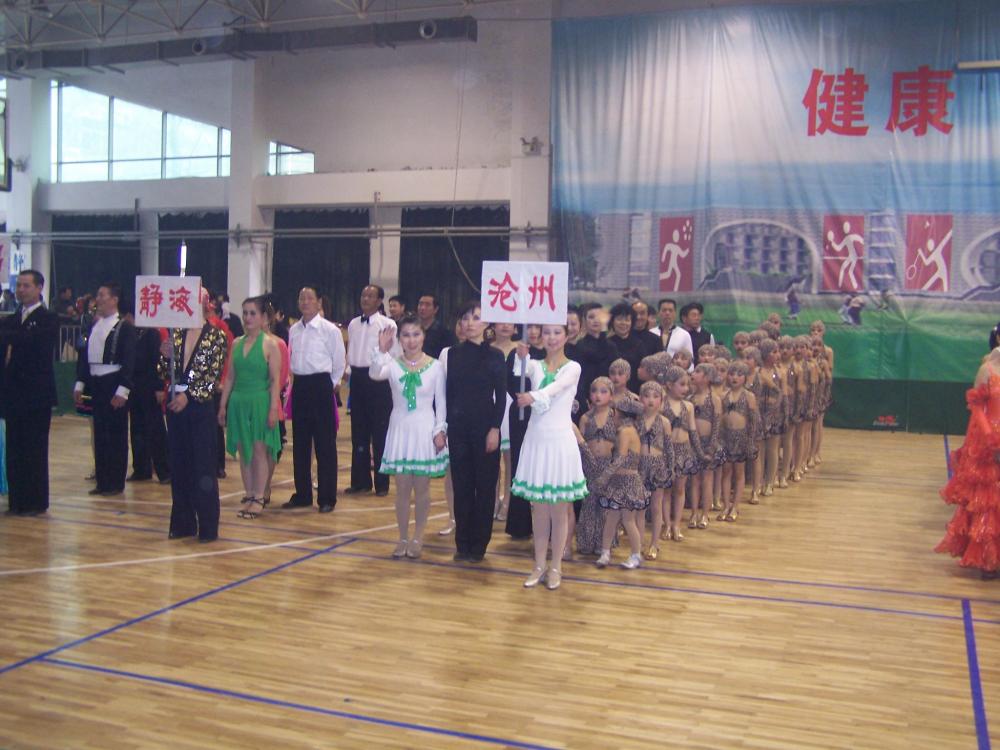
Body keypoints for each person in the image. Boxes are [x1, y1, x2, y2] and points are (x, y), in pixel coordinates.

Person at [513, 323, 587, 590]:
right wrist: (520, 357)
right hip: (536, 441)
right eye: (547, 333)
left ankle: (556, 566)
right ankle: (538, 564)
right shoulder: (534, 366)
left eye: (557, 333)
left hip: (559, 442)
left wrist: (533, 396)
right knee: (539, 510)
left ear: (567, 336)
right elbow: (519, 371)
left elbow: (557, 387)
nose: (552, 338)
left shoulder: (573, 367)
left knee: (559, 509)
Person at [371, 316, 448, 559]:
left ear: (423, 336)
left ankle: (418, 537)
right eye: (406, 335)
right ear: (399, 339)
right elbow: (375, 373)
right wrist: (381, 350)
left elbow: (441, 403)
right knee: (402, 489)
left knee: (422, 488)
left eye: (416, 334)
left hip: (425, 429)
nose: (411, 340)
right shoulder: (392, 364)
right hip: (400, 430)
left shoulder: (436, 366)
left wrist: (440, 430)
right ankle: (402, 537)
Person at [444, 302, 506, 562]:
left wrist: (494, 429)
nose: (470, 323)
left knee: (485, 487)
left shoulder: (495, 356)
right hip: (458, 429)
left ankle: (480, 544)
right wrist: (446, 426)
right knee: (462, 486)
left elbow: (500, 398)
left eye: (476, 317)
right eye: (466, 317)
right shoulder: (452, 354)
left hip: (485, 428)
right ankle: (463, 543)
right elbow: (448, 394)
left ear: (487, 323)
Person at [159, 315, 228, 542]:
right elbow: (164, 372)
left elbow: (212, 376)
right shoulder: (176, 333)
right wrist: (164, 355)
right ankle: (183, 523)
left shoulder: (216, 336)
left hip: (200, 406)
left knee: (203, 466)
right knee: (179, 464)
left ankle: (208, 526)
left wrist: (188, 396)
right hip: (175, 405)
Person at [936, 348, 1000, 579]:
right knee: (988, 502)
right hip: (989, 443)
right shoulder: (987, 370)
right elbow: (977, 408)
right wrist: (991, 438)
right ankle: (988, 559)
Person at [218, 297, 283, 520]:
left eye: (253, 313)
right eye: (245, 313)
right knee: (244, 449)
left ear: (264, 317)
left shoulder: (270, 344)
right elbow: (230, 377)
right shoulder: (236, 343)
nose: (247, 317)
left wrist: (273, 408)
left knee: (258, 449)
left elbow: (275, 381)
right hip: (238, 401)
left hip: (259, 401)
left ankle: (259, 497)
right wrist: (223, 405)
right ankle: (249, 494)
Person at [0, 270, 59, 516]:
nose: (21, 290)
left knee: (34, 448)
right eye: (19, 286)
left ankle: (35, 501)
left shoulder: (48, 318)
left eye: (26, 285)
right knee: (15, 448)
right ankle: (17, 500)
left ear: (39, 288)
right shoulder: (12, 319)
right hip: (13, 394)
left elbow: (35, 344)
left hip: (36, 395)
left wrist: (15, 339)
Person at [286, 286, 346, 512]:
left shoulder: (330, 330)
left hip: (321, 386)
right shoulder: (294, 330)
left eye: (309, 298)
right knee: (301, 444)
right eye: (301, 298)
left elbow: (339, 361)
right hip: (300, 386)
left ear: (319, 302)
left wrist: (330, 385)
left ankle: (327, 498)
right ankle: (302, 494)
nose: (305, 302)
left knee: (325, 445)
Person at [74, 282, 136, 497]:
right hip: (96, 383)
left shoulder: (124, 327)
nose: (98, 299)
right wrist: (80, 383)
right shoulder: (95, 325)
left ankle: (115, 482)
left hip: (114, 381)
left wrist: (123, 391)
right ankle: (102, 480)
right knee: (100, 433)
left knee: (116, 434)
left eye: (102, 295)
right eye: (98, 295)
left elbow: (129, 360)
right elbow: (86, 358)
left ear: (114, 299)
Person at [346, 284, 397, 497]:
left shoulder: (387, 324)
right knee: (358, 433)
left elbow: (394, 355)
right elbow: (351, 350)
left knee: (379, 433)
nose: (365, 299)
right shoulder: (353, 324)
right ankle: (360, 481)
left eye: (370, 296)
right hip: (357, 379)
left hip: (378, 380)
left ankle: (382, 483)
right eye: (363, 295)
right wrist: (348, 371)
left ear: (379, 301)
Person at [503, 325, 545, 541]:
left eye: (539, 327)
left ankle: (547, 525)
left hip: (544, 414)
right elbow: (510, 384)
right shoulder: (517, 353)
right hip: (520, 414)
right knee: (520, 465)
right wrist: (520, 359)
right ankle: (519, 524)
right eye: (531, 326)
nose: (534, 331)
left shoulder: (551, 353)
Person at [575, 377, 616, 556]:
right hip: (589, 464)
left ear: (611, 395)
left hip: (608, 465)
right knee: (589, 503)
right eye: (594, 391)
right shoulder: (585, 418)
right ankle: (586, 541)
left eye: (603, 391)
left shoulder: (615, 417)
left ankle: (604, 542)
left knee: (605, 505)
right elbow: (581, 442)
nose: (598, 395)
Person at [127, 321, 171, 485]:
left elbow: (158, 362)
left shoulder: (153, 334)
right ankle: (141, 469)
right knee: (137, 429)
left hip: (150, 386)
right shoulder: (134, 333)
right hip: (135, 387)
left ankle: (165, 471)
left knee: (155, 429)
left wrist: (159, 387)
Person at [718, 361, 761, 522]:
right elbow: (720, 419)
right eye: (731, 374)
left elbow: (753, 421)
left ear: (745, 377)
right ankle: (726, 505)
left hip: (741, 437)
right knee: (726, 472)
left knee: (739, 472)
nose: (734, 377)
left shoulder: (749, 396)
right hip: (726, 437)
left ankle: (736, 506)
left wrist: (751, 441)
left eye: (739, 374)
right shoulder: (723, 395)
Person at [574, 302, 618, 422]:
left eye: (599, 317)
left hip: (609, 400)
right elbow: (579, 377)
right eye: (591, 317)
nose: (595, 320)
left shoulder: (612, 346)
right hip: (586, 400)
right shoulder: (580, 346)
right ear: (584, 321)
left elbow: (615, 375)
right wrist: (585, 399)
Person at [491, 322, 518, 522]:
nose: (505, 326)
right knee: (491, 457)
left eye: (510, 321)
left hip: (511, 404)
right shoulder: (486, 348)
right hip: (489, 402)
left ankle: (507, 500)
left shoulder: (521, 349)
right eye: (501, 321)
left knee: (509, 457)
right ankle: (492, 499)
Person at [607, 302, 647, 394]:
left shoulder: (639, 344)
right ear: (612, 321)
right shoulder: (606, 344)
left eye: (627, 320)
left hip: (635, 393)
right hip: (610, 393)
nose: (623, 323)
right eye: (619, 319)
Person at [650, 298, 695, 363]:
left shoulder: (684, 335)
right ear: (659, 313)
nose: (667, 313)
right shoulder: (651, 332)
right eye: (664, 310)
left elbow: (690, 360)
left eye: (670, 310)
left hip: (677, 369)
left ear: (675, 313)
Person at [416, 293, 456, 359]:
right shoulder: (412, 330)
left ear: (436, 309)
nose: (422, 308)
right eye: (420, 304)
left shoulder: (444, 333)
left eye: (427, 305)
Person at [680, 302, 715, 366]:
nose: (697, 318)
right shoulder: (678, 335)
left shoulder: (708, 336)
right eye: (693, 315)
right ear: (684, 318)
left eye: (699, 315)